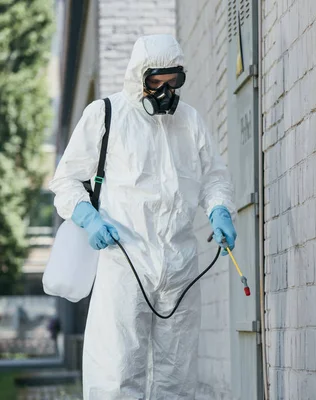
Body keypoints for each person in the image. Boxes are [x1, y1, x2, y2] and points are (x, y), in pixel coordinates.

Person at [48, 34, 237, 399]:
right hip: (125, 261)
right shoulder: (106, 114)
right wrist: (88, 216)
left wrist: (219, 209)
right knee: (117, 370)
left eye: (173, 82)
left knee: (177, 374)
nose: (165, 92)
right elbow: (67, 178)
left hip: (180, 263)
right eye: (156, 82)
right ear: (139, 77)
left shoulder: (190, 121)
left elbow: (214, 175)